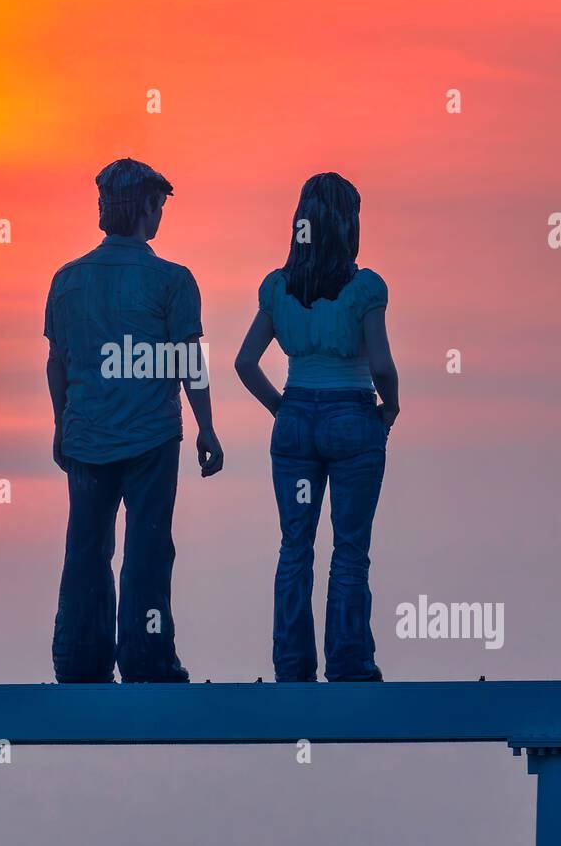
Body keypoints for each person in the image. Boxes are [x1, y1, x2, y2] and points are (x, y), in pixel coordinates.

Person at [45, 158, 224, 683]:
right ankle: (147, 658)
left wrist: (61, 423)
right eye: (160, 205)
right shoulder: (172, 281)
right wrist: (207, 427)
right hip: (151, 436)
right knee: (147, 547)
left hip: (86, 435)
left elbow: (58, 362)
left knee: (86, 548)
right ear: (147, 207)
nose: (162, 213)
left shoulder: (67, 280)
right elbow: (189, 361)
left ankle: (79, 659)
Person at [234, 172, 399, 682]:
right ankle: (349, 663)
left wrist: (282, 409)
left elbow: (244, 362)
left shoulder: (278, 288)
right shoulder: (365, 288)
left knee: (294, 546)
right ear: (349, 225)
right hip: (352, 418)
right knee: (350, 548)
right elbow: (382, 366)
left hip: (295, 421)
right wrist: (388, 409)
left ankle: (292, 664)